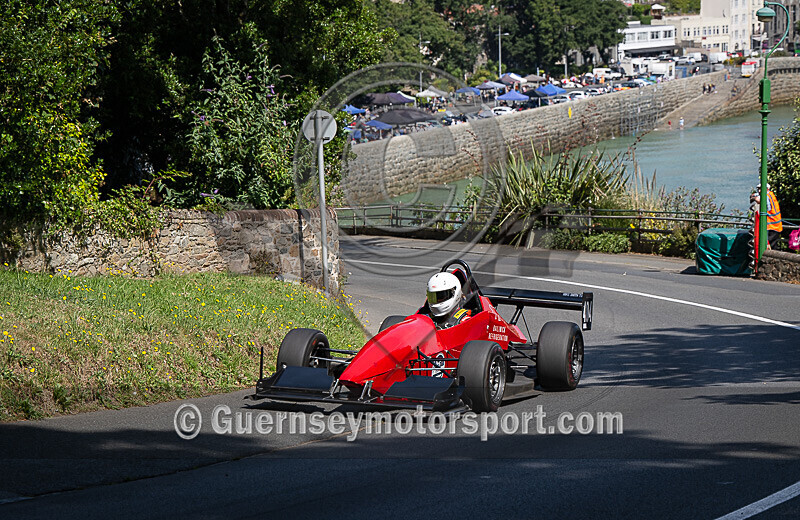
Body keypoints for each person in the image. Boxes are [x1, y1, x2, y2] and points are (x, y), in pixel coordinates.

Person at [751, 184, 783, 249]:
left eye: (761, 189)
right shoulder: (770, 194)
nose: (759, 191)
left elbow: (764, 203)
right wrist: (755, 195)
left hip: (772, 225)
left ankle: (772, 258)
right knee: (772, 244)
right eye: (758, 189)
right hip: (775, 225)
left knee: (770, 245)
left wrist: (755, 198)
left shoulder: (766, 196)